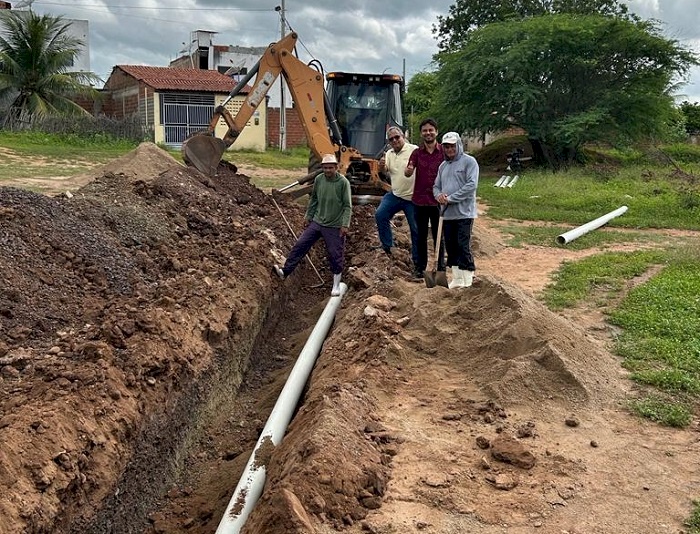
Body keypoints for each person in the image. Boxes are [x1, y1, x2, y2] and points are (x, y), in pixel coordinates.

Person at [274, 154, 352, 296]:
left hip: (334, 225)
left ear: (336, 167)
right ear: (322, 168)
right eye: (325, 168)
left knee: (335, 254)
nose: (328, 170)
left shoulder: (343, 183)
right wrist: (308, 216)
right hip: (317, 222)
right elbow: (314, 200)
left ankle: (335, 285)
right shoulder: (319, 179)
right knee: (300, 245)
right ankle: (285, 271)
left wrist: (345, 224)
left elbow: (347, 206)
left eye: (331, 168)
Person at [433, 131, 479, 288]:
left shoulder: (469, 162)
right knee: (451, 246)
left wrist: (451, 198)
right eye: (446, 146)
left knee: (462, 245)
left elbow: (471, 185)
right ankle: (457, 278)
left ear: (458, 145)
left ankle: (468, 279)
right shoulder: (443, 166)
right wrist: (438, 196)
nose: (449, 149)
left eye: (452, 146)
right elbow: (436, 186)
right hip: (447, 215)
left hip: (464, 213)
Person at [375, 126, 419, 274]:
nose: (394, 140)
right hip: (395, 194)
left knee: (416, 229)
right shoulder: (389, 154)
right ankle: (387, 247)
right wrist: (381, 168)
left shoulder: (414, 150)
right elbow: (385, 170)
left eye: (397, 137)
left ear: (403, 136)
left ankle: (417, 262)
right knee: (381, 214)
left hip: (412, 198)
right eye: (391, 139)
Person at [405, 118, 445, 278]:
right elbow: (408, 170)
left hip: (438, 201)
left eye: (431, 130)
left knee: (438, 235)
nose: (428, 133)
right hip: (420, 201)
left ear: (436, 131)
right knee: (420, 236)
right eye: (425, 130)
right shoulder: (416, 153)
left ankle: (440, 268)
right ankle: (420, 268)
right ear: (421, 133)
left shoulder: (443, 152)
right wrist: (408, 170)